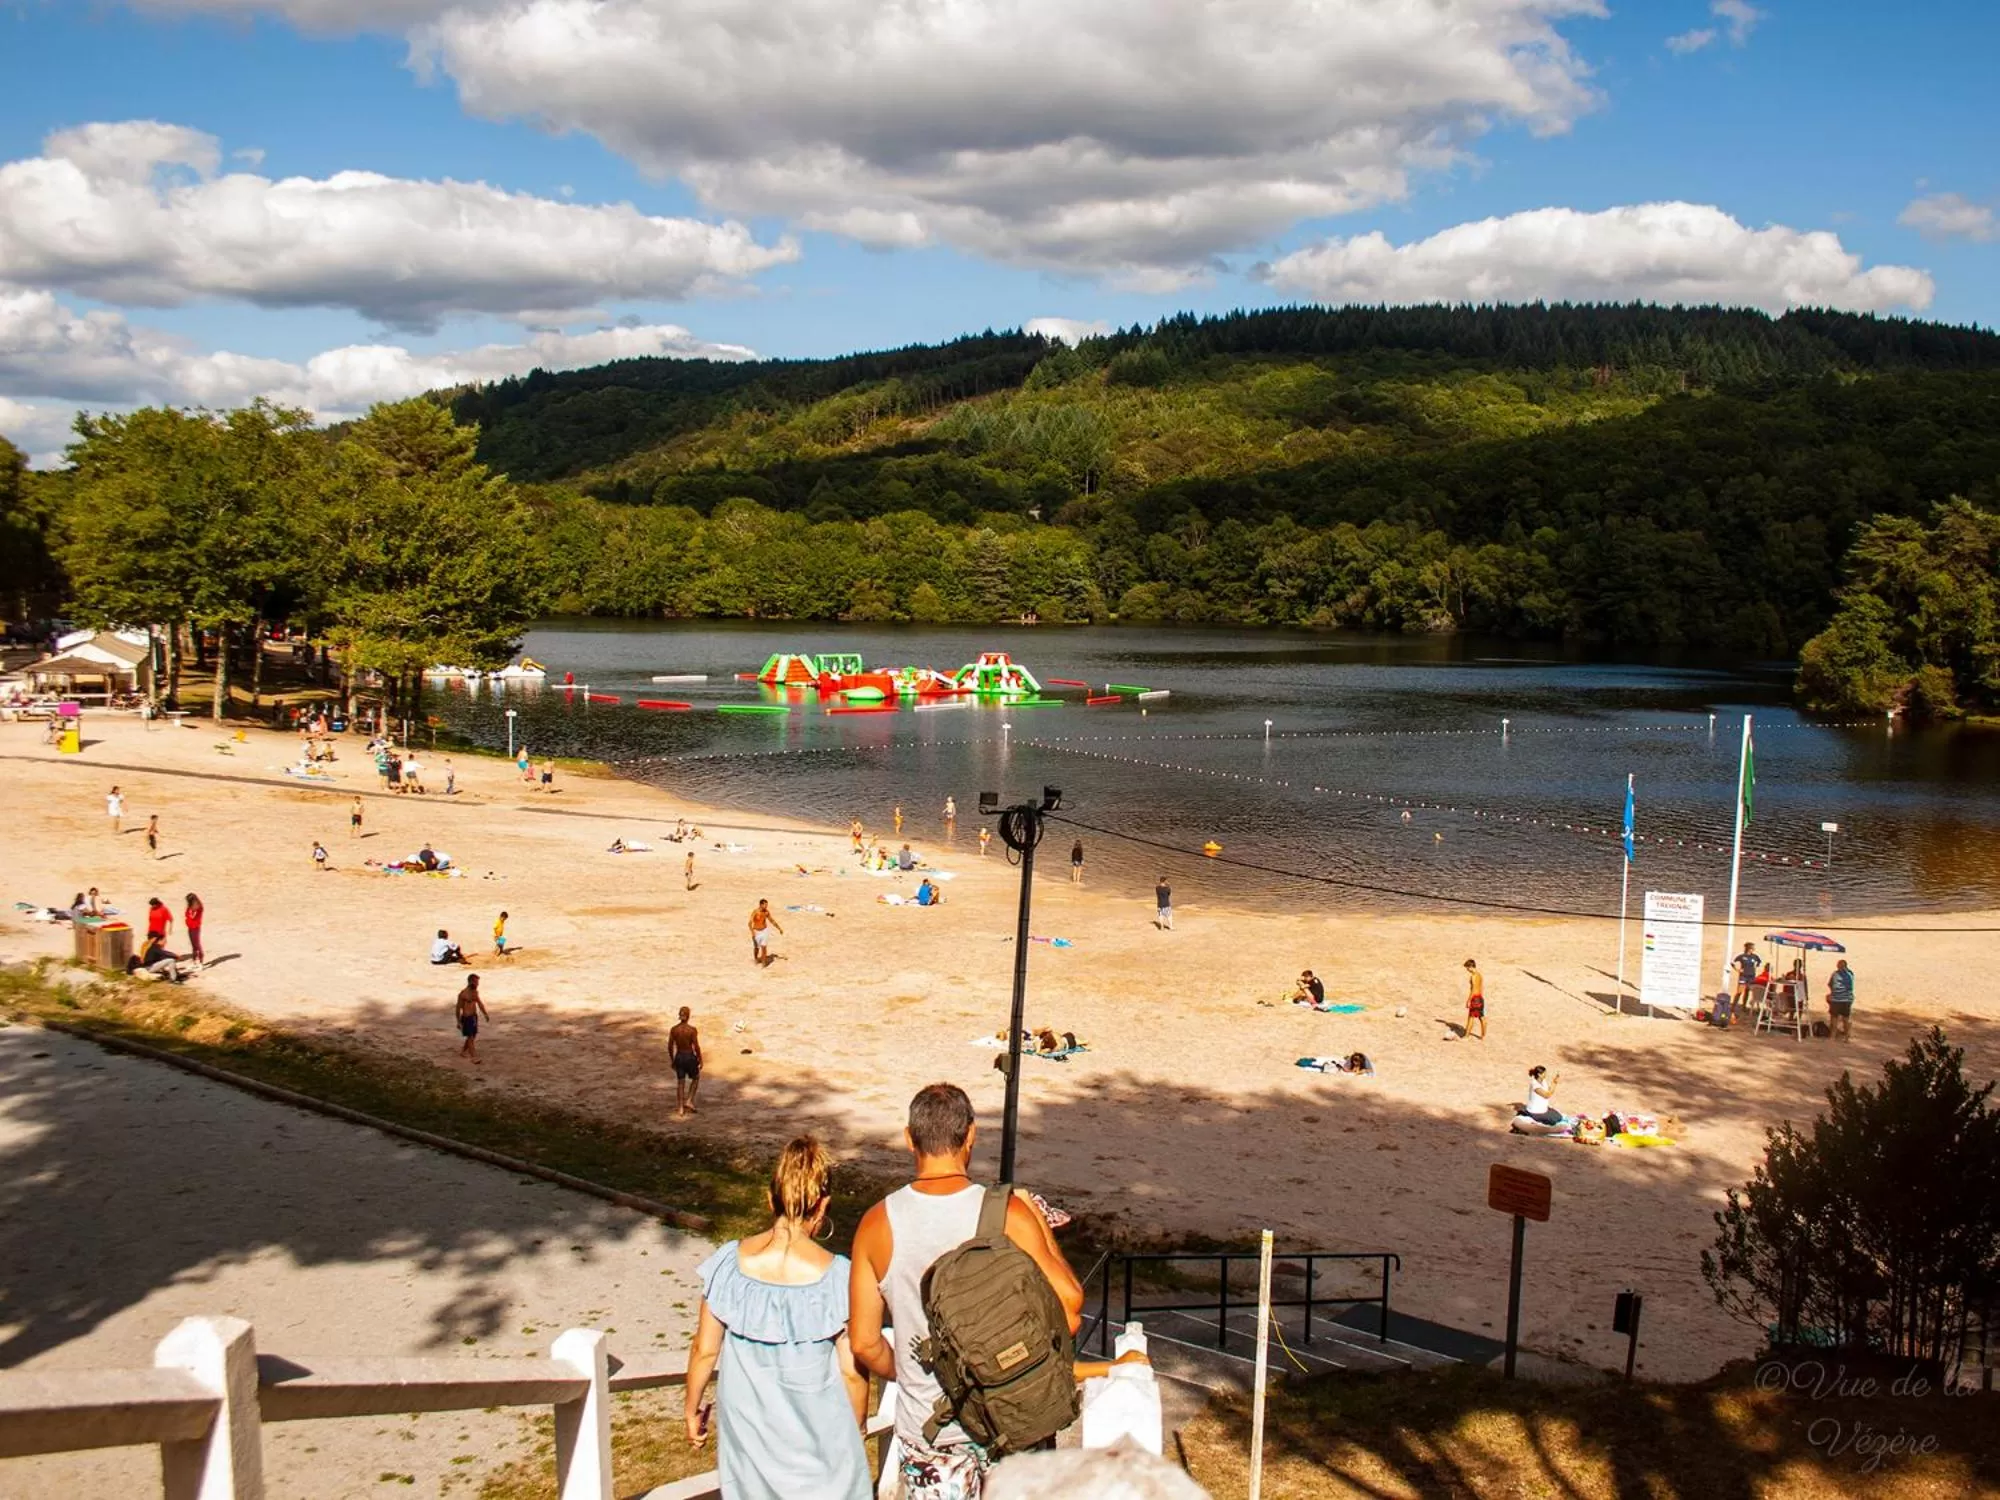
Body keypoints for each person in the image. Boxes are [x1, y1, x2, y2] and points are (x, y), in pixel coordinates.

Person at [849, 1084, 1085, 1498]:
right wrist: (1039, 1223)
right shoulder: (1007, 1213)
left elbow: (865, 1343)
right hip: (1013, 1422)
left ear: (909, 1138)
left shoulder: (876, 1225)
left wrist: (910, 1372)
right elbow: (1070, 1310)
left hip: (929, 1434)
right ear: (972, 1135)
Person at [685, 1138, 869, 1499]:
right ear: (824, 1206)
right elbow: (851, 1371)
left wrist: (692, 1407)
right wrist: (858, 1425)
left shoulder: (728, 1264)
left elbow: (704, 1350)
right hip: (818, 1448)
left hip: (750, 1445)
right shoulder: (838, 1279)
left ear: (770, 1200)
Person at [669, 1006, 703, 1117]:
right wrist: (700, 1059)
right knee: (696, 1077)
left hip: (679, 1056)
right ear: (688, 1016)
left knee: (680, 1082)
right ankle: (689, 1100)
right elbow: (696, 1046)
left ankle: (680, 1108)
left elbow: (670, 1046)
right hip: (689, 1056)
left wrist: (672, 1059)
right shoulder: (692, 1030)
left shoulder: (674, 1029)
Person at [456, 974, 488, 1061]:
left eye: (478, 982)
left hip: (474, 1017)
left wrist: (485, 1014)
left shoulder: (475, 993)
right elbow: (458, 1009)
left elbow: (480, 1004)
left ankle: (463, 1051)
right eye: (476, 982)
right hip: (466, 1018)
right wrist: (458, 1022)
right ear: (470, 982)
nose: (477, 984)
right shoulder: (463, 994)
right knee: (470, 1037)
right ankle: (473, 1056)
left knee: (473, 1036)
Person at [1826, 959, 1856, 1041]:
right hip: (1847, 999)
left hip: (1836, 999)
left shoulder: (1835, 974)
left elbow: (1830, 984)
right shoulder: (1850, 974)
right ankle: (1847, 1037)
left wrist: (1834, 992)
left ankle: (1833, 1036)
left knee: (1834, 1018)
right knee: (1846, 1019)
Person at [749, 899, 784, 967]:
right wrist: (752, 932)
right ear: (761, 905)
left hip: (764, 931)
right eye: (765, 905)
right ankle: (756, 959)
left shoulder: (766, 912)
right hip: (756, 931)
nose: (766, 907)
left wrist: (779, 928)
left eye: (767, 905)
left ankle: (763, 963)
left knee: (764, 947)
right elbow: (750, 923)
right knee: (756, 948)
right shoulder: (755, 912)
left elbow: (772, 920)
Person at [1463, 958, 1485, 1040]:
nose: (1467, 970)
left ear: (1471, 966)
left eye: (1467, 968)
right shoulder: (1480, 975)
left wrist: (1468, 1000)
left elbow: (1473, 989)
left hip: (1475, 998)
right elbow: (1480, 987)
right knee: (1481, 1017)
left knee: (1470, 1017)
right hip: (1480, 997)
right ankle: (1483, 1036)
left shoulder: (1473, 976)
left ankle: (1466, 1036)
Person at [183, 893, 205, 966]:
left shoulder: (198, 907)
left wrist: (190, 913)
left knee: (197, 944)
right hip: (190, 927)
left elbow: (193, 917)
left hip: (195, 927)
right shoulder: (190, 907)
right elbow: (186, 914)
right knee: (193, 944)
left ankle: (201, 960)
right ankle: (195, 960)